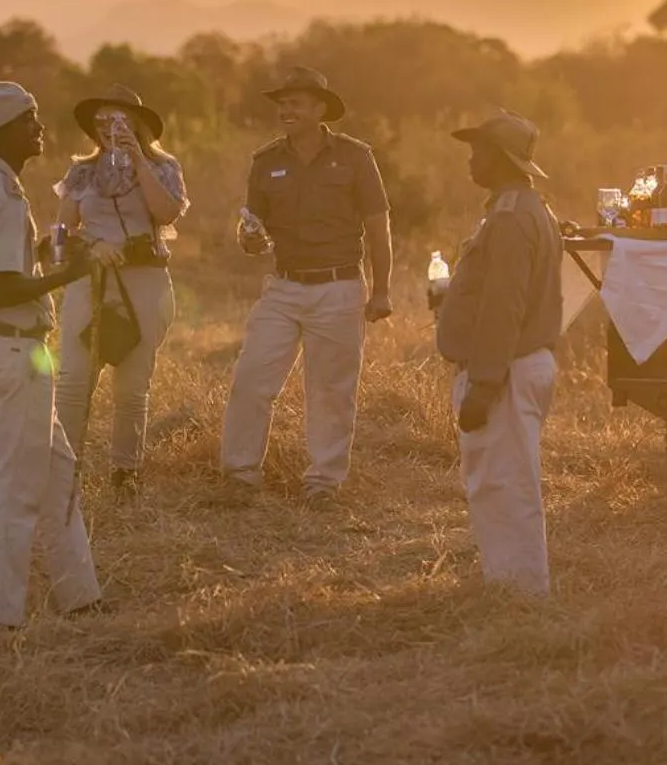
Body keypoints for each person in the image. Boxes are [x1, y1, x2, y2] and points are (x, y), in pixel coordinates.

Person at [0, 81, 106, 627]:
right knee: (13, 488)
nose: (39, 127)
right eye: (28, 118)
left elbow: (3, 267)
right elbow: (1, 289)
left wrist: (45, 252)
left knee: (58, 473)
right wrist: (68, 274)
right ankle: (0, 616)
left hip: (10, 349)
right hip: (14, 349)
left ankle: (80, 595)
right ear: (2, 130)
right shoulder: (4, 196)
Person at [219, 66, 393, 504]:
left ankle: (323, 482)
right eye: (282, 104)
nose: (285, 111)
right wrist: (250, 239)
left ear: (319, 109)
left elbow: (378, 226)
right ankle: (240, 474)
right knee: (251, 378)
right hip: (283, 288)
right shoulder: (266, 162)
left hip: (339, 287)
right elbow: (251, 230)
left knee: (331, 391)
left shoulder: (355, 157)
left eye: (295, 103)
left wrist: (382, 290)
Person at [434, 110, 563, 596]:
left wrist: (484, 384)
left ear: (503, 159)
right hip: (517, 363)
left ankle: (519, 594)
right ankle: (508, 584)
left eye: (479, 151)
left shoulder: (510, 218)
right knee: (501, 481)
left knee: (504, 485)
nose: (471, 161)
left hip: (506, 369)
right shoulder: (526, 208)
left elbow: (503, 307)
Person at [53, 85, 189, 499]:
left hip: (144, 279)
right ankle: (63, 469)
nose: (107, 127)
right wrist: (91, 245)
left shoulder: (163, 167)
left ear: (135, 124)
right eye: (100, 121)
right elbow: (60, 235)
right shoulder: (81, 173)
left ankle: (125, 472)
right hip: (92, 280)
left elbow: (167, 212)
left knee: (132, 385)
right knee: (73, 379)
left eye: (117, 120)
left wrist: (138, 160)